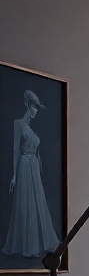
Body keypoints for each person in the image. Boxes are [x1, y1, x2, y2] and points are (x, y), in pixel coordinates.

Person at [4, 89, 59, 259]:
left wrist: (39, 168)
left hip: (34, 167)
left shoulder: (32, 129)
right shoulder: (19, 124)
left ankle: (38, 244)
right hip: (25, 166)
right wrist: (15, 175)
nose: (35, 111)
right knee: (25, 203)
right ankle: (28, 245)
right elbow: (15, 150)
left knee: (37, 203)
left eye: (37, 107)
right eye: (34, 107)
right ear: (27, 105)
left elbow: (38, 152)